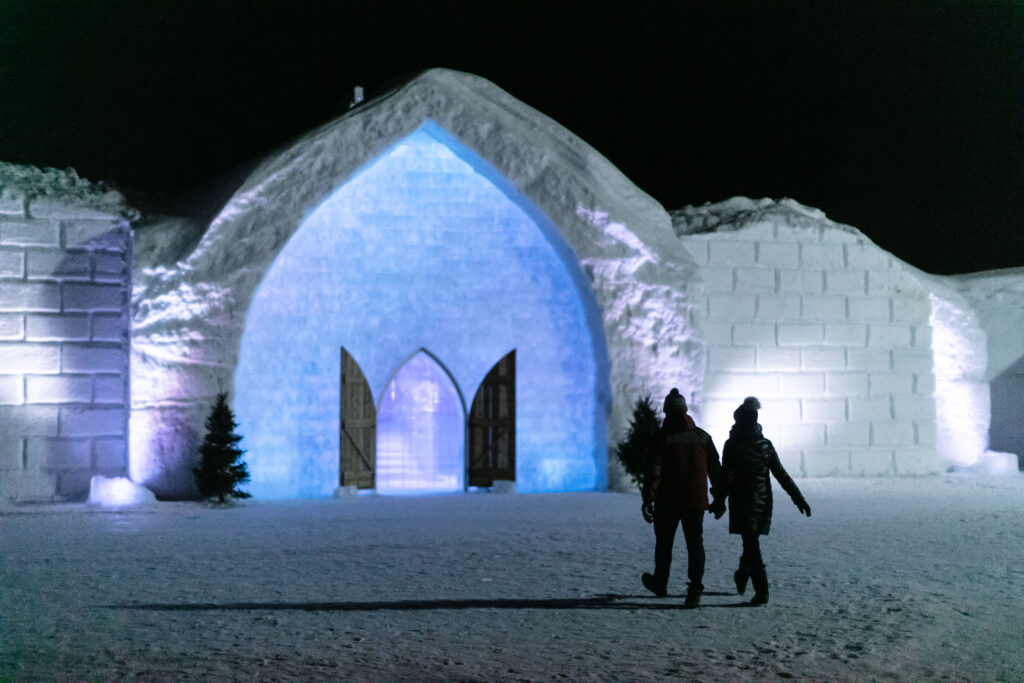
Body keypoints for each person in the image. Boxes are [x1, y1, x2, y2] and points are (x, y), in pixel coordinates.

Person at [716, 396, 811, 606]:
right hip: (761, 503)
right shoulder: (763, 445)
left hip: (743, 503)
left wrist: (719, 500)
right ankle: (748, 580)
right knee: (751, 544)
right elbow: (780, 474)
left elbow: (726, 476)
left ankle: (760, 590)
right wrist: (798, 498)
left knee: (751, 545)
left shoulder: (732, 444)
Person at [640, 388, 723, 608]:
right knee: (695, 545)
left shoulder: (661, 437)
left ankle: (660, 582)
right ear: (685, 410)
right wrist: (719, 498)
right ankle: (695, 590)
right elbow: (715, 470)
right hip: (695, 502)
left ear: (667, 410)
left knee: (664, 544)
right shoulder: (702, 437)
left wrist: (648, 498)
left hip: (667, 501)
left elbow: (654, 471)